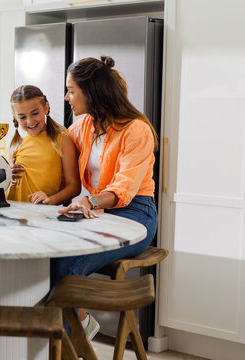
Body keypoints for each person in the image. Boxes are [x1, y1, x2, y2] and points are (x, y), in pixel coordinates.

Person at [52, 55, 159, 339]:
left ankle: (64, 347)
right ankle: (81, 323)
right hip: (99, 212)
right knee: (50, 256)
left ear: (92, 92)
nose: (66, 97)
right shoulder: (83, 127)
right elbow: (49, 146)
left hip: (136, 214)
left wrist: (90, 201)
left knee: (65, 265)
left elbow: (124, 188)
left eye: (71, 90)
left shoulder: (136, 130)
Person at [0, 85, 81, 205]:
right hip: (10, 211)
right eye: (22, 117)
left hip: (39, 214)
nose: (30, 121)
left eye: (35, 113)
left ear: (46, 107)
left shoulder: (62, 139)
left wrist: (51, 200)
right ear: (15, 117)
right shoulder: (14, 144)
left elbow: (74, 186)